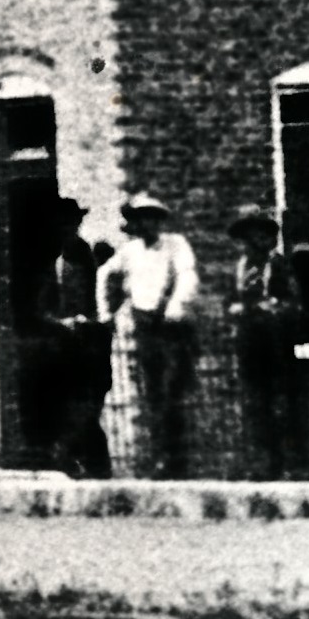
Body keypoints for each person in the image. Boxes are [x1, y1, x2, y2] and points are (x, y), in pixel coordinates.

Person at [98, 192, 199, 479]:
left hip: (170, 325)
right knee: (152, 393)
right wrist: (107, 313)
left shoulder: (175, 245)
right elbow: (105, 274)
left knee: (173, 392)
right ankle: (160, 459)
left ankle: (178, 459)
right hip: (145, 327)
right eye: (142, 218)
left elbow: (187, 275)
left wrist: (176, 306)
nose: (148, 224)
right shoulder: (129, 252)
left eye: (153, 217)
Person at [225, 202, 309, 479]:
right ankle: (262, 464)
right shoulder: (239, 269)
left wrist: (272, 308)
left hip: (277, 343)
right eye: (249, 235)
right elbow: (229, 302)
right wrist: (235, 310)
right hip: (249, 344)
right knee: (254, 403)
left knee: (283, 401)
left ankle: (292, 463)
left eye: (262, 234)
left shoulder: (279, 265)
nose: (255, 240)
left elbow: (294, 304)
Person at [36, 197, 115, 479]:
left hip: (93, 347)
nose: (66, 229)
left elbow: (107, 298)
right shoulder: (53, 265)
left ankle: (78, 456)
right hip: (67, 351)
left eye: (71, 223)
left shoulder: (93, 258)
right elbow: (42, 310)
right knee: (74, 406)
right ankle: (90, 464)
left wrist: (93, 320)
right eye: (61, 224)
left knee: (91, 405)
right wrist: (62, 322)